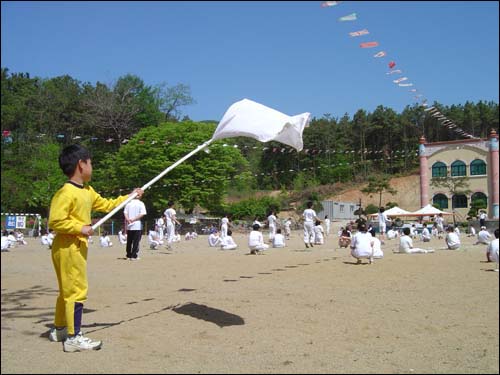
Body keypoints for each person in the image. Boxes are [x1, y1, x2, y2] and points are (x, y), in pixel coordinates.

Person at [47, 144, 143, 352]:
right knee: (76, 290)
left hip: (77, 246)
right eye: (90, 163)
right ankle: (73, 337)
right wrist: (79, 227)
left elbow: (108, 205)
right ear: (81, 165)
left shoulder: (87, 191)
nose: (92, 167)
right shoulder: (66, 192)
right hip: (67, 246)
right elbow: (55, 221)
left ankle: (61, 328)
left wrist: (130, 196)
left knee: (67, 290)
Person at [123, 195, 147, 260]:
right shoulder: (141, 203)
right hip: (137, 224)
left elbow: (125, 212)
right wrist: (134, 219)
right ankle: (134, 255)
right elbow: (142, 213)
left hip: (129, 225)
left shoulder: (128, 203)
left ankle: (128, 255)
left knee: (129, 241)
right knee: (136, 241)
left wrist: (128, 219)